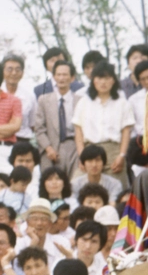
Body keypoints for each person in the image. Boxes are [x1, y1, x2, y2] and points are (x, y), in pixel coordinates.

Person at [73, 61, 133, 192]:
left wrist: (121, 155)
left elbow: (126, 132)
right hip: (89, 151)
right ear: (93, 80)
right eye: (100, 78)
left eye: (107, 78)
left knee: (119, 192)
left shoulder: (122, 103)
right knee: (78, 187)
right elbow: (78, 132)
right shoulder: (84, 102)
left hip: (113, 153)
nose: (103, 82)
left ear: (113, 80)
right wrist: (82, 155)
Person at [33, 60, 81, 177]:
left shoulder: (80, 101)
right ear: (54, 77)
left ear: (72, 77)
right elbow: (39, 129)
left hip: (74, 147)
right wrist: (48, 148)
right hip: (51, 147)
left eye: (65, 75)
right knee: (51, 184)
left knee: (74, 184)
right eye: (58, 75)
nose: (61, 78)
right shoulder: (44, 100)